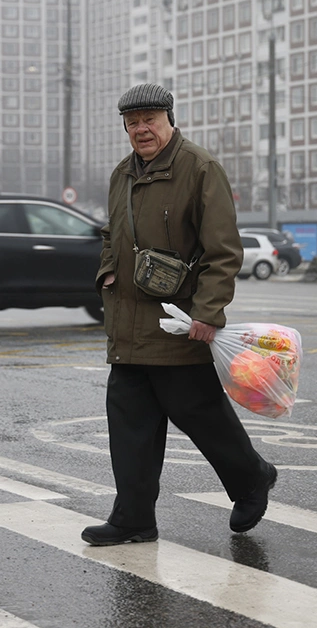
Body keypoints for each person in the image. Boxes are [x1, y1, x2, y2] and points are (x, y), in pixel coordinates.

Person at [82, 82, 278, 547]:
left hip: (179, 321)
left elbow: (224, 250)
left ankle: (252, 479)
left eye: (149, 119)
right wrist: (107, 273)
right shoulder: (121, 175)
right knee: (129, 427)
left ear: (169, 118)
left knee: (200, 414)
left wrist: (208, 312)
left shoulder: (200, 169)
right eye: (132, 123)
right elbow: (112, 233)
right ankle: (133, 519)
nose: (141, 130)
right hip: (127, 324)